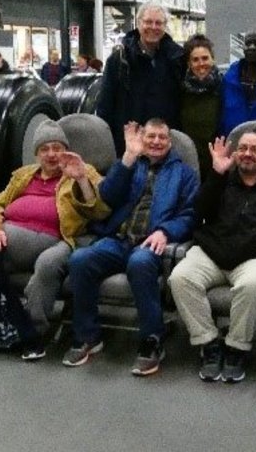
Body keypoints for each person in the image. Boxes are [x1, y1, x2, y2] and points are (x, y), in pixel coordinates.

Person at [0, 120, 109, 361]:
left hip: (58, 240)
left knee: (47, 263)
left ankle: (31, 332)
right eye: (44, 149)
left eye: (57, 148)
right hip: (9, 239)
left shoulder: (81, 171)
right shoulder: (23, 176)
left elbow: (101, 211)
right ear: (36, 154)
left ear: (66, 150)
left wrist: (82, 179)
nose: (51, 154)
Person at [63, 119, 199, 376]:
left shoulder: (184, 174)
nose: (156, 141)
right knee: (80, 259)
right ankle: (88, 336)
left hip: (151, 242)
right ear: (142, 139)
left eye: (162, 137)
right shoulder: (130, 165)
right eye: (150, 136)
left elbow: (190, 215)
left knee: (139, 263)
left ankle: (151, 340)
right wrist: (127, 158)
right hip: (119, 238)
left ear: (170, 142)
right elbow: (108, 197)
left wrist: (165, 231)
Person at [168, 130, 256, 383]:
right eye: (243, 148)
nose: (248, 154)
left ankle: (236, 348)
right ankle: (208, 343)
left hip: (253, 256)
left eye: (255, 149)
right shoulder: (221, 180)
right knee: (180, 278)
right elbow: (198, 213)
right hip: (210, 253)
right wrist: (216, 174)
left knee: (254, 285)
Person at [96, 3, 185, 154]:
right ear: (138, 23)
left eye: (158, 23)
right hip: (129, 145)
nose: (153, 27)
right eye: (148, 22)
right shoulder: (119, 60)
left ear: (165, 26)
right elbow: (105, 105)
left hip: (164, 145)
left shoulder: (177, 59)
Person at [179, 34, 222, 180]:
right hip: (189, 163)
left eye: (205, 58)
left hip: (217, 164)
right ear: (189, 63)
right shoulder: (181, 91)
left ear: (212, 59)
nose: (201, 63)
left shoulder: (224, 88)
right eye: (195, 60)